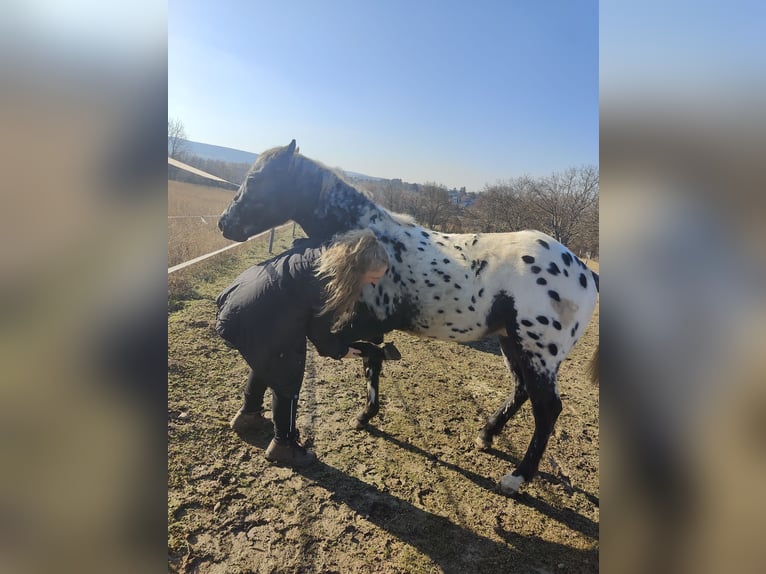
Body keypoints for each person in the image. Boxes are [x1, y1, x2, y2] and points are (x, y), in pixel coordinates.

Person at [214, 229, 390, 466]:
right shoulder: (328, 280)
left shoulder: (324, 255)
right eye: (373, 277)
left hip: (240, 303)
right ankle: (283, 446)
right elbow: (319, 331)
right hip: (255, 316)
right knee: (288, 375)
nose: (376, 282)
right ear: (357, 268)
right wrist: (340, 351)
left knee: (267, 357)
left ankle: (248, 415)